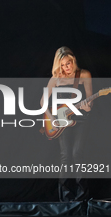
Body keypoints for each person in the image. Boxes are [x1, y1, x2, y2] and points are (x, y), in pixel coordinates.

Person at [40, 46, 92, 202]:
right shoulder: (56, 79)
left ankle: (82, 197)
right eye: (62, 65)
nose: (66, 68)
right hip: (62, 121)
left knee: (77, 154)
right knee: (65, 157)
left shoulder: (84, 75)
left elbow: (90, 101)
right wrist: (52, 118)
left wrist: (87, 106)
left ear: (73, 60)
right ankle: (65, 199)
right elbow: (43, 101)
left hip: (81, 120)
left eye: (68, 63)